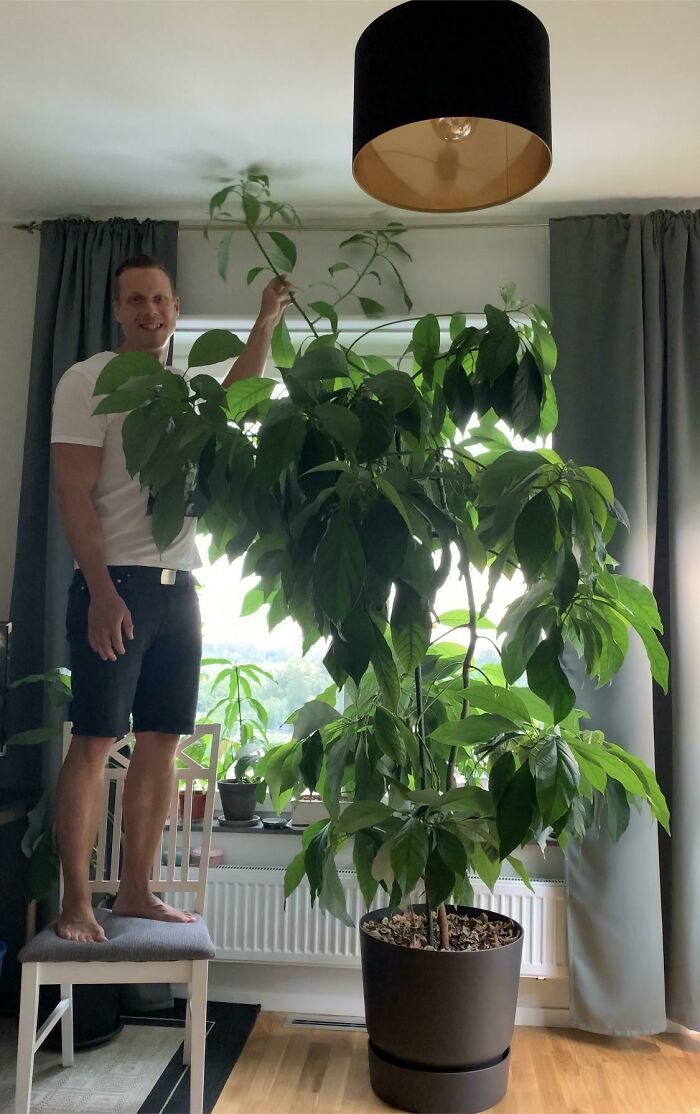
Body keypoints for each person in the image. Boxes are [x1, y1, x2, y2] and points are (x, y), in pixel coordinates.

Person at [51, 255, 292, 943]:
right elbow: (72, 491)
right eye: (135, 300)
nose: (148, 311)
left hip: (179, 589)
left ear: (177, 308)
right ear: (118, 310)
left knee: (162, 743)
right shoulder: (90, 379)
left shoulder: (187, 389)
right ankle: (76, 901)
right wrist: (99, 592)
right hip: (114, 584)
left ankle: (135, 891)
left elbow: (239, 391)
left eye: (159, 299)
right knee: (95, 742)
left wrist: (265, 321)